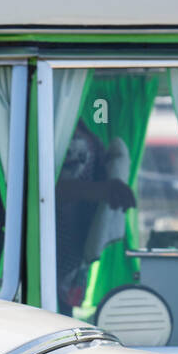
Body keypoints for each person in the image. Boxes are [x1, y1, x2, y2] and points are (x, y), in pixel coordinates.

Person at [55, 121, 137, 316]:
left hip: (74, 254)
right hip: (46, 251)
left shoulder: (75, 117)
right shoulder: (44, 113)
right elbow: (36, 187)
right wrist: (102, 190)